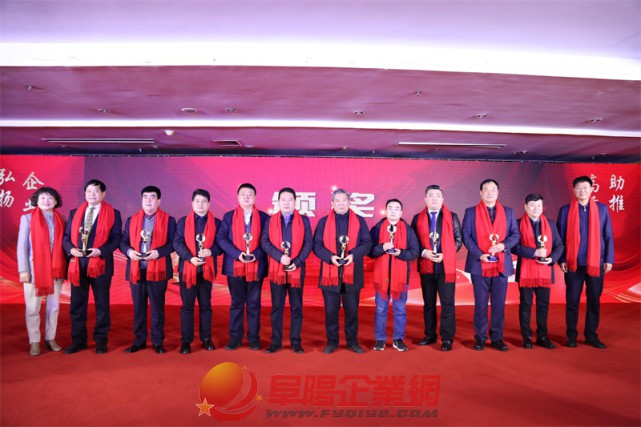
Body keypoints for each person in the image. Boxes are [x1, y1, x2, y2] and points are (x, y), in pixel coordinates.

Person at [62, 179, 122, 354]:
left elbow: (116, 238)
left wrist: (100, 251)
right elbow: (66, 237)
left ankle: (101, 341)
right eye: (89, 191)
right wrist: (71, 249)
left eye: (96, 191)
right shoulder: (75, 213)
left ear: (103, 194)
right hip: (78, 265)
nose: (92, 194)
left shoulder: (113, 213)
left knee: (102, 305)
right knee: (77, 305)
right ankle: (78, 340)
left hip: (101, 265)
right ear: (85, 193)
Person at [462, 179, 520, 351]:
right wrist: (480, 254)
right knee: (480, 304)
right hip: (479, 264)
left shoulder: (508, 212)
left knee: (498, 304)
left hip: (501, 264)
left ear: (498, 192)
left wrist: (503, 246)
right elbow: (466, 236)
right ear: (481, 192)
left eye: (493, 189)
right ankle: (480, 337)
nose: (489, 192)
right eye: (486, 189)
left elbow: (515, 235)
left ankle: (497, 338)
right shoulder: (471, 212)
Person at [557, 176, 614, 349]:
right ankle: (571, 336)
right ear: (574, 190)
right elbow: (560, 237)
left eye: (585, 187)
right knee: (572, 301)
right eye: (579, 187)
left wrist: (609, 259)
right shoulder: (565, 210)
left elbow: (608, 235)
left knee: (594, 300)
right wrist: (562, 259)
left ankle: (591, 335)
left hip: (596, 263)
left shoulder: (602, 209)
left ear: (591, 189)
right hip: (573, 263)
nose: (582, 190)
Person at [313, 188, 372, 354]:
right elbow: (316, 245)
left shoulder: (359, 221)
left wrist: (353, 255)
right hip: (330, 275)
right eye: (337, 201)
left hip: (352, 275)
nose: (341, 204)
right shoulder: (323, 222)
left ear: (349, 202)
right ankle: (332, 342)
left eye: (344, 200)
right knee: (331, 312)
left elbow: (367, 243)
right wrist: (330, 257)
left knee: (352, 311)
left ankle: (352, 342)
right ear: (332, 203)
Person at [120, 186, 176, 354]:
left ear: (159, 201)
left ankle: (158, 342)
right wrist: (130, 252)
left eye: (152, 197)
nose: (148, 200)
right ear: (141, 200)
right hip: (137, 269)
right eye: (145, 197)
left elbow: (173, 243)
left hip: (158, 270)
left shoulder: (169, 220)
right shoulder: (132, 220)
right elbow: (123, 242)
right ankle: (139, 340)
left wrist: (159, 253)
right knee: (138, 307)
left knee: (157, 308)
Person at [216, 183, 269, 351]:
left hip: (256, 266)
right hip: (234, 266)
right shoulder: (229, 216)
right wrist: (238, 254)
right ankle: (235, 338)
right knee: (237, 303)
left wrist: (256, 254)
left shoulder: (264, 217)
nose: (246, 197)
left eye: (249, 194)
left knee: (254, 304)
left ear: (255, 197)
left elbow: (267, 240)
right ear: (238, 197)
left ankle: (254, 339)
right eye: (243, 194)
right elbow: (221, 238)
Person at [260, 187, 313, 353]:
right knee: (277, 307)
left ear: (295, 202)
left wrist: (297, 262)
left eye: (290, 199)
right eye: (283, 199)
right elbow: (264, 242)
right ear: (278, 202)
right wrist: (279, 257)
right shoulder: (271, 220)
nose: (286, 202)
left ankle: (295, 342)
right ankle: (275, 342)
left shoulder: (304, 220)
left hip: (296, 270)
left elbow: (308, 243)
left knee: (296, 307)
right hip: (277, 270)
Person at [411, 185, 463, 352]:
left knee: (448, 303)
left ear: (442, 199)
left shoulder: (452, 216)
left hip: (445, 267)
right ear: (425, 199)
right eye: (431, 195)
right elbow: (413, 242)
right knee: (429, 303)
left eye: (437, 195)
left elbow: (458, 240)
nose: (434, 198)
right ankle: (429, 334)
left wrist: (445, 254)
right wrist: (424, 252)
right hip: (426, 267)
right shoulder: (417, 218)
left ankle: (447, 338)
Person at [17, 187, 67, 356]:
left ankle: (50, 338)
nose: (46, 201)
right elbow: (22, 246)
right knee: (33, 308)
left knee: (54, 307)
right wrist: (23, 269)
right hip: (34, 271)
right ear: (36, 201)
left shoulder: (61, 219)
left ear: (56, 201)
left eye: (50, 198)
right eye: (43, 198)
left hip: (56, 270)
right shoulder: (27, 218)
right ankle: (34, 341)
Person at [173, 189, 221, 354]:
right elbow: (177, 243)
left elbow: (221, 244)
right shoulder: (182, 222)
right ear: (192, 203)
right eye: (197, 201)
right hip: (187, 270)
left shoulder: (217, 223)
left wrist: (211, 251)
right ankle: (186, 342)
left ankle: (206, 339)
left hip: (206, 271)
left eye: (204, 201)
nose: (200, 204)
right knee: (187, 307)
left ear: (209, 203)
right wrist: (190, 258)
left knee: (206, 306)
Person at [514, 193, 564, 349]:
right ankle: (527, 337)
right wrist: (534, 252)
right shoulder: (517, 224)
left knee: (543, 305)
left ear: (543, 207)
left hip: (544, 271)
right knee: (525, 305)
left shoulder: (550, 224)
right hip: (526, 272)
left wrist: (552, 258)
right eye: (532, 205)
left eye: (539, 205)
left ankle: (542, 336)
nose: (536, 208)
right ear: (525, 207)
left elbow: (559, 245)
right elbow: (513, 247)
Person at [369, 199, 419, 352]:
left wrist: (400, 253)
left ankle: (398, 339)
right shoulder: (377, 229)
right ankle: (380, 339)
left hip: (401, 278)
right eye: (390, 208)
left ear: (401, 212)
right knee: (380, 309)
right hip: (381, 277)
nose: (393, 211)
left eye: (396, 208)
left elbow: (414, 252)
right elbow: (370, 251)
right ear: (385, 211)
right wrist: (382, 247)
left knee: (400, 309)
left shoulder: (408, 230)